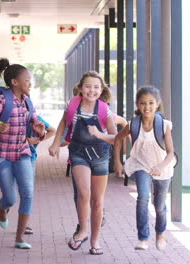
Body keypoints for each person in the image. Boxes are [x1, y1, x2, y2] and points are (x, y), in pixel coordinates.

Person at [49, 71, 116, 255]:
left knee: (97, 201)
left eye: (96, 87)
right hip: (78, 154)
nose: (91, 90)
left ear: (101, 90)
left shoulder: (104, 109)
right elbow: (63, 123)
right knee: (84, 193)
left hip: (100, 156)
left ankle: (95, 241)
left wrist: (99, 134)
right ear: (80, 88)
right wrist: (55, 144)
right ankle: (83, 230)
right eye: (87, 86)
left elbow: (114, 137)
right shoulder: (72, 105)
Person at [0, 58, 46, 249]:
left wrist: (39, 130)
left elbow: (35, 125)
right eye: (27, 80)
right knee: (10, 198)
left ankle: (19, 238)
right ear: (14, 82)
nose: (30, 84)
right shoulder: (2, 100)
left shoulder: (28, 103)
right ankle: (2, 208)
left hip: (22, 153)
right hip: (1, 155)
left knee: (27, 194)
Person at [113, 86, 176, 251]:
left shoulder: (164, 125)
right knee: (142, 197)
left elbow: (170, 153)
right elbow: (117, 139)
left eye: (150, 103)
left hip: (162, 168)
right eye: (142, 103)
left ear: (157, 104)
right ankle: (143, 238)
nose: (146, 107)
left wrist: (160, 166)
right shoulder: (133, 124)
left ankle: (160, 233)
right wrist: (118, 162)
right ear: (137, 105)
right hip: (141, 165)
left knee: (159, 206)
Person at [24, 115, 56, 235]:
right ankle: (6, 203)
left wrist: (36, 140)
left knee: (28, 190)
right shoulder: (9, 113)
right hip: (10, 156)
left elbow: (53, 130)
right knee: (11, 192)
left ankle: (25, 223)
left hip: (29, 157)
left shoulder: (35, 118)